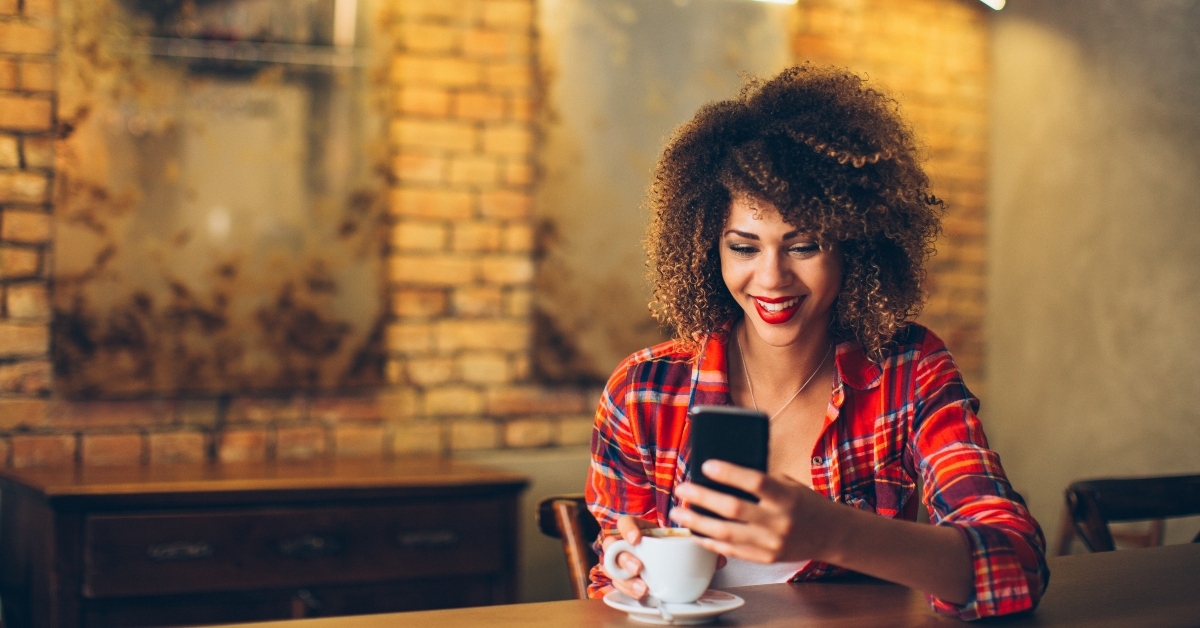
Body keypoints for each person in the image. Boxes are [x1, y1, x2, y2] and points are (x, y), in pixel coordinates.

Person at [585, 65, 1048, 620]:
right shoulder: (643, 391)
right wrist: (628, 566)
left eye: (802, 246)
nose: (772, 278)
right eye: (744, 247)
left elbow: (1016, 567)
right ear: (709, 248)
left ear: (856, 247)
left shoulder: (908, 371)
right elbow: (609, 588)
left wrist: (833, 532)